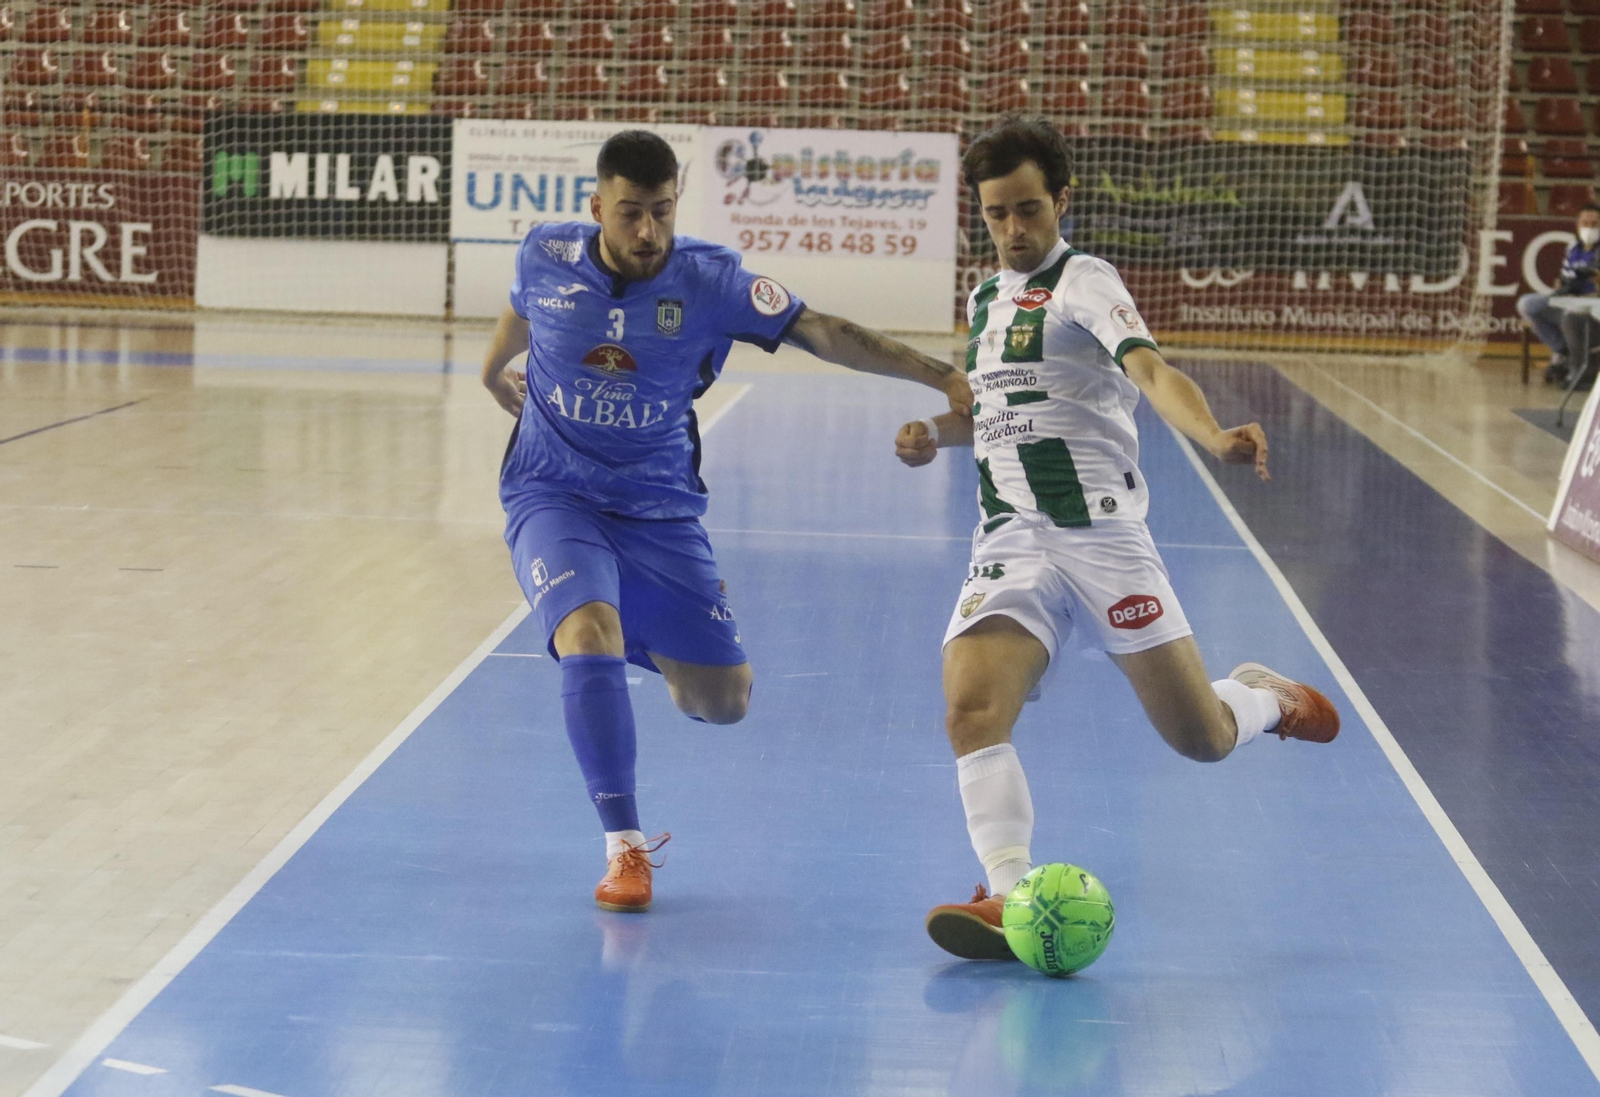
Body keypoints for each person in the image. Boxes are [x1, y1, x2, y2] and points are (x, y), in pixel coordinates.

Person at [480, 130, 972, 914]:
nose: (649, 230)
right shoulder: (546, 253)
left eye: (662, 210)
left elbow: (821, 329)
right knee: (588, 630)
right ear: (597, 207)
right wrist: (489, 372)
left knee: (721, 700)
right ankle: (625, 846)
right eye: (631, 212)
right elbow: (518, 313)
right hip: (552, 490)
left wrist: (940, 373)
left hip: (659, 507)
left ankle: (620, 633)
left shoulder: (708, 281)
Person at [889, 118, 1342, 961]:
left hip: (1102, 537)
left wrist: (1212, 435)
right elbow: (999, 414)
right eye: (996, 214)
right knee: (970, 707)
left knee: (1201, 737)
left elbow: (1151, 371)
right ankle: (1009, 892)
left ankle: (1264, 697)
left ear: (1061, 200)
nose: (1014, 229)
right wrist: (933, 434)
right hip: (1012, 535)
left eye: (1029, 209)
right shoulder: (985, 301)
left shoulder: (1086, 280)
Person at [1517, 202, 1600, 389]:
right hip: (1570, 300)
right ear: (1578, 224)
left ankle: (1577, 370)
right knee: (1527, 304)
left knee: (1570, 316)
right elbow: (1566, 278)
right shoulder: (1573, 248)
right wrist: (1563, 285)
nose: (1589, 228)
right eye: (1585, 223)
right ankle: (1562, 349)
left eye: (1594, 224)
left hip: (1593, 308)